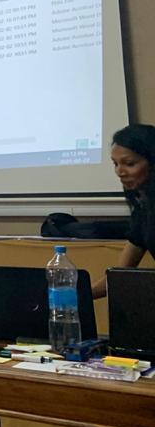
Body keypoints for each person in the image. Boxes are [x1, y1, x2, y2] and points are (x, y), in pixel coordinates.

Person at [92, 123, 155, 299]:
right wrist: (77, 295)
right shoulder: (144, 209)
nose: (120, 172)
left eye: (129, 164)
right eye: (115, 164)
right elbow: (118, 275)